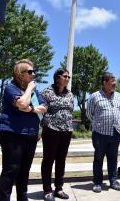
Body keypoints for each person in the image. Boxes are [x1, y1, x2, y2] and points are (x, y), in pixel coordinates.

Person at [0, 59, 47, 201]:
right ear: (20, 73)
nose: (33, 75)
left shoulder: (35, 92)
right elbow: (22, 103)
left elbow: (44, 107)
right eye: (30, 72)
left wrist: (29, 109)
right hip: (12, 133)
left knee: (24, 171)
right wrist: (29, 89)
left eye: (34, 71)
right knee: (11, 170)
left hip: (31, 135)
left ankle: (22, 198)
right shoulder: (10, 88)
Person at [86, 72, 120, 193]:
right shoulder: (94, 96)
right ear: (104, 82)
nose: (114, 85)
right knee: (98, 158)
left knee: (113, 158)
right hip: (99, 133)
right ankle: (97, 182)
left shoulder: (118, 96)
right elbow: (89, 113)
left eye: (115, 82)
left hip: (115, 132)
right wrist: (99, 124)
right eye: (112, 82)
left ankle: (113, 181)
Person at [41, 69, 74, 201]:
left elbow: (71, 110)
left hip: (66, 131)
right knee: (49, 160)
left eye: (69, 77)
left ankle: (59, 188)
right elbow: (40, 110)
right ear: (57, 77)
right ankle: (47, 190)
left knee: (61, 160)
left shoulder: (70, 94)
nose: (68, 78)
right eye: (65, 76)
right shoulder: (47, 92)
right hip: (51, 130)